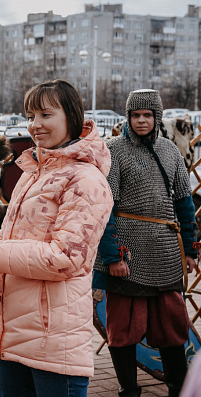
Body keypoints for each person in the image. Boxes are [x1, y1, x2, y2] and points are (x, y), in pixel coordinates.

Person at [0, 79, 113, 397]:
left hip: (54, 345)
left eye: (45, 114)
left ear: (71, 116)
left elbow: (65, 259)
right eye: (30, 116)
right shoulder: (33, 175)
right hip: (12, 340)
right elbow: (10, 241)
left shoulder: (86, 180)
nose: (35, 125)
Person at [93, 89, 198, 397]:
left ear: (157, 117)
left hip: (165, 252)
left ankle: (178, 389)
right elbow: (105, 207)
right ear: (128, 117)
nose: (141, 120)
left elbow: (184, 202)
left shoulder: (170, 151)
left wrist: (190, 249)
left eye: (147, 115)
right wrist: (112, 256)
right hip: (128, 254)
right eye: (135, 115)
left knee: (172, 329)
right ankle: (129, 391)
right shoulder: (114, 150)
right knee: (123, 331)